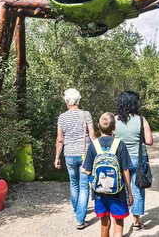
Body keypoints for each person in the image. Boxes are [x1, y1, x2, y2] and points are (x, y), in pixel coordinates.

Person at [83, 112, 133, 237]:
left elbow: (87, 171)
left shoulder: (93, 145)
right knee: (118, 223)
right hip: (118, 192)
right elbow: (125, 170)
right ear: (114, 128)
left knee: (104, 224)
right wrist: (130, 193)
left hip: (99, 193)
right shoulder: (120, 144)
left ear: (98, 127)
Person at [55, 88, 96, 229]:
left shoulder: (62, 117)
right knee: (84, 186)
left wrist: (56, 157)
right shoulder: (86, 115)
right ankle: (80, 219)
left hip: (69, 155)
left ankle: (76, 211)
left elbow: (60, 140)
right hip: (85, 155)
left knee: (74, 183)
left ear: (67, 101)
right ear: (78, 100)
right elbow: (92, 135)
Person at [114, 91, 153, 231]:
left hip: (120, 159)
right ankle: (136, 223)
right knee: (138, 190)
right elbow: (149, 141)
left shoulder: (114, 120)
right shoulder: (141, 120)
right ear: (134, 104)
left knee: (121, 189)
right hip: (138, 159)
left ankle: (120, 221)